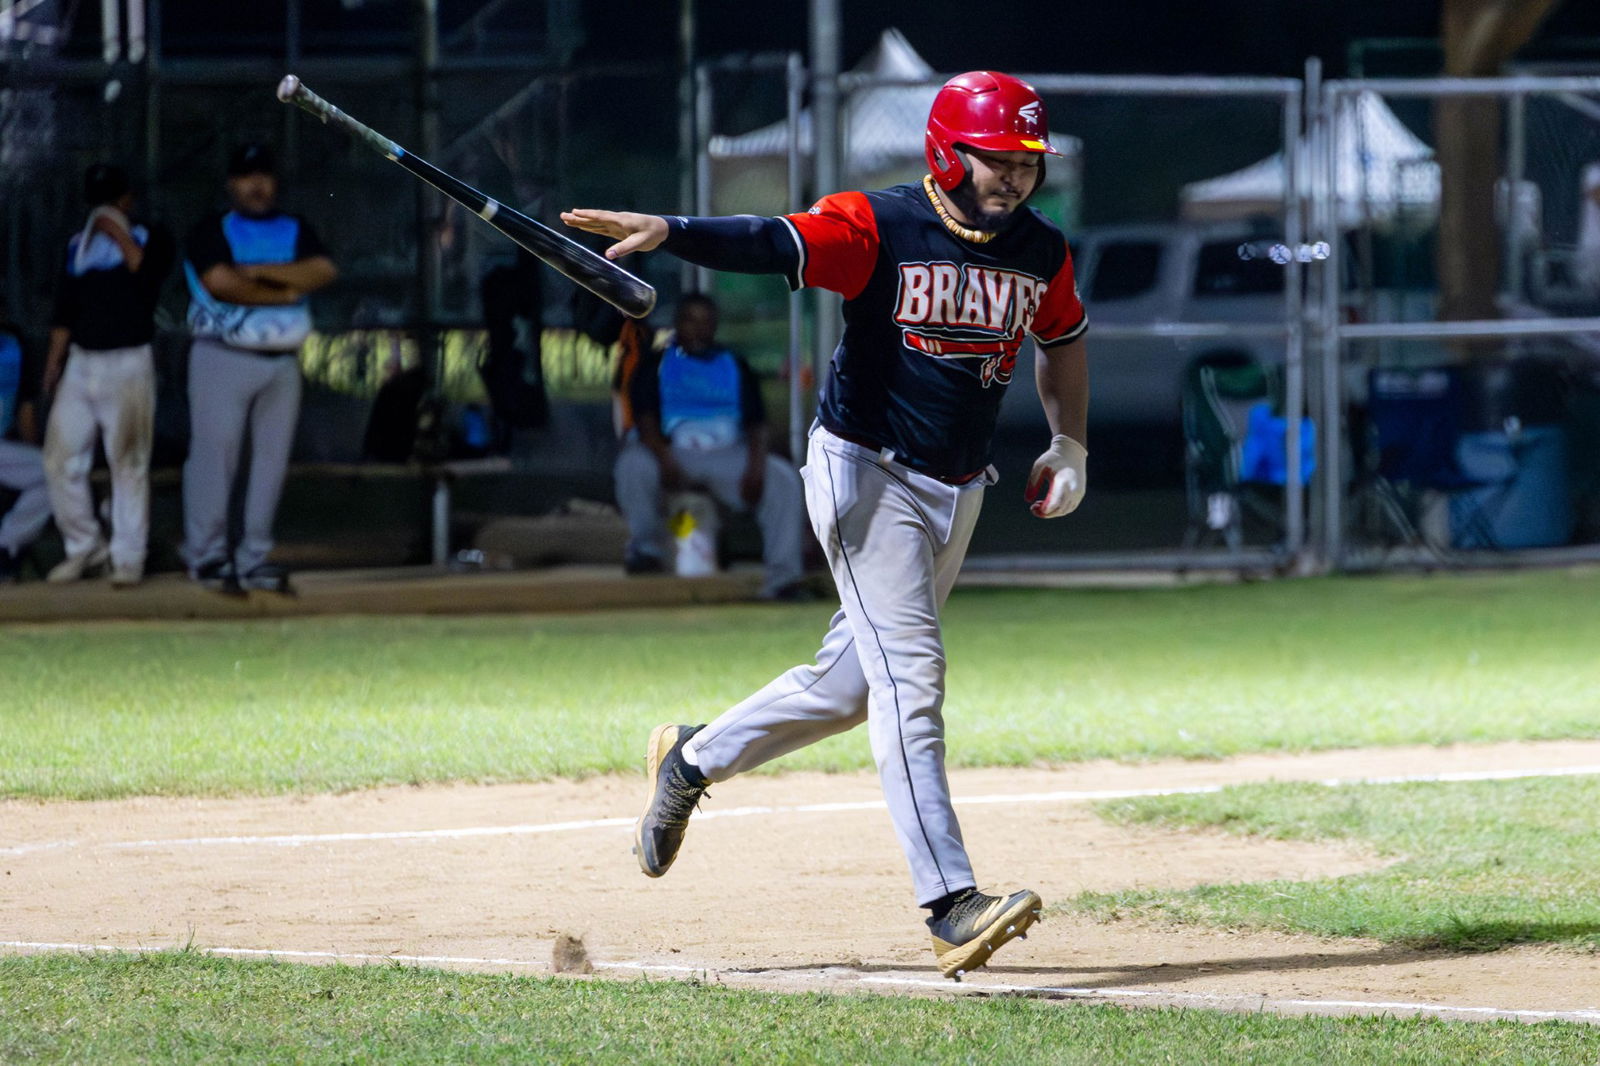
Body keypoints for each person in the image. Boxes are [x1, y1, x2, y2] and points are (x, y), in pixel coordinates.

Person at [561, 71, 1089, 979]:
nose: (1013, 178)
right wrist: (674, 232)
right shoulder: (880, 226)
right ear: (944, 153)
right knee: (911, 679)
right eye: (996, 160)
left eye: (1026, 162)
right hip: (865, 473)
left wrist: (1069, 441)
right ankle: (950, 904)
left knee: (852, 687)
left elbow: (1064, 339)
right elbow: (776, 239)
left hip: (958, 486)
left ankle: (692, 759)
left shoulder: (1039, 250)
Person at [182, 143, 337, 594]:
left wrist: (259, 272)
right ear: (232, 183)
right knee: (215, 458)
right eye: (248, 176)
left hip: (281, 364)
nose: (258, 185)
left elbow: (322, 271)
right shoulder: (213, 227)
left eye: (265, 175)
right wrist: (285, 289)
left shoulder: (294, 227)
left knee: (270, 463)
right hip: (221, 356)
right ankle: (207, 556)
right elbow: (221, 283)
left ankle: (252, 558)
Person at [612, 293, 805, 596]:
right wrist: (665, 459)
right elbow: (645, 422)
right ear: (677, 324)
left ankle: (784, 581)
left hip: (727, 453)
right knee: (633, 464)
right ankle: (646, 551)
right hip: (673, 451)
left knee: (782, 477)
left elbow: (757, 425)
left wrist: (756, 467)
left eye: (706, 322)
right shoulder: (657, 364)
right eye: (691, 321)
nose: (699, 329)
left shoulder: (734, 364)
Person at [39, 164, 174, 587]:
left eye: (111, 201)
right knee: (60, 459)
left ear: (127, 200)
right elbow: (65, 310)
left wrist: (117, 229)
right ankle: (85, 547)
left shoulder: (152, 236)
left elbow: (146, 277)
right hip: (82, 361)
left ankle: (127, 558)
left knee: (128, 461)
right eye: (97, 203)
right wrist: (53, 364)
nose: (103, 210)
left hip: (128, 362)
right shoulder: (78, 246)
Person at [0, 321, 50, 583]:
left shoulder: (14, 346)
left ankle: (6, 546)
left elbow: (25, 408)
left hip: (4, 449)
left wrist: (30, 448)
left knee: (53, 474)